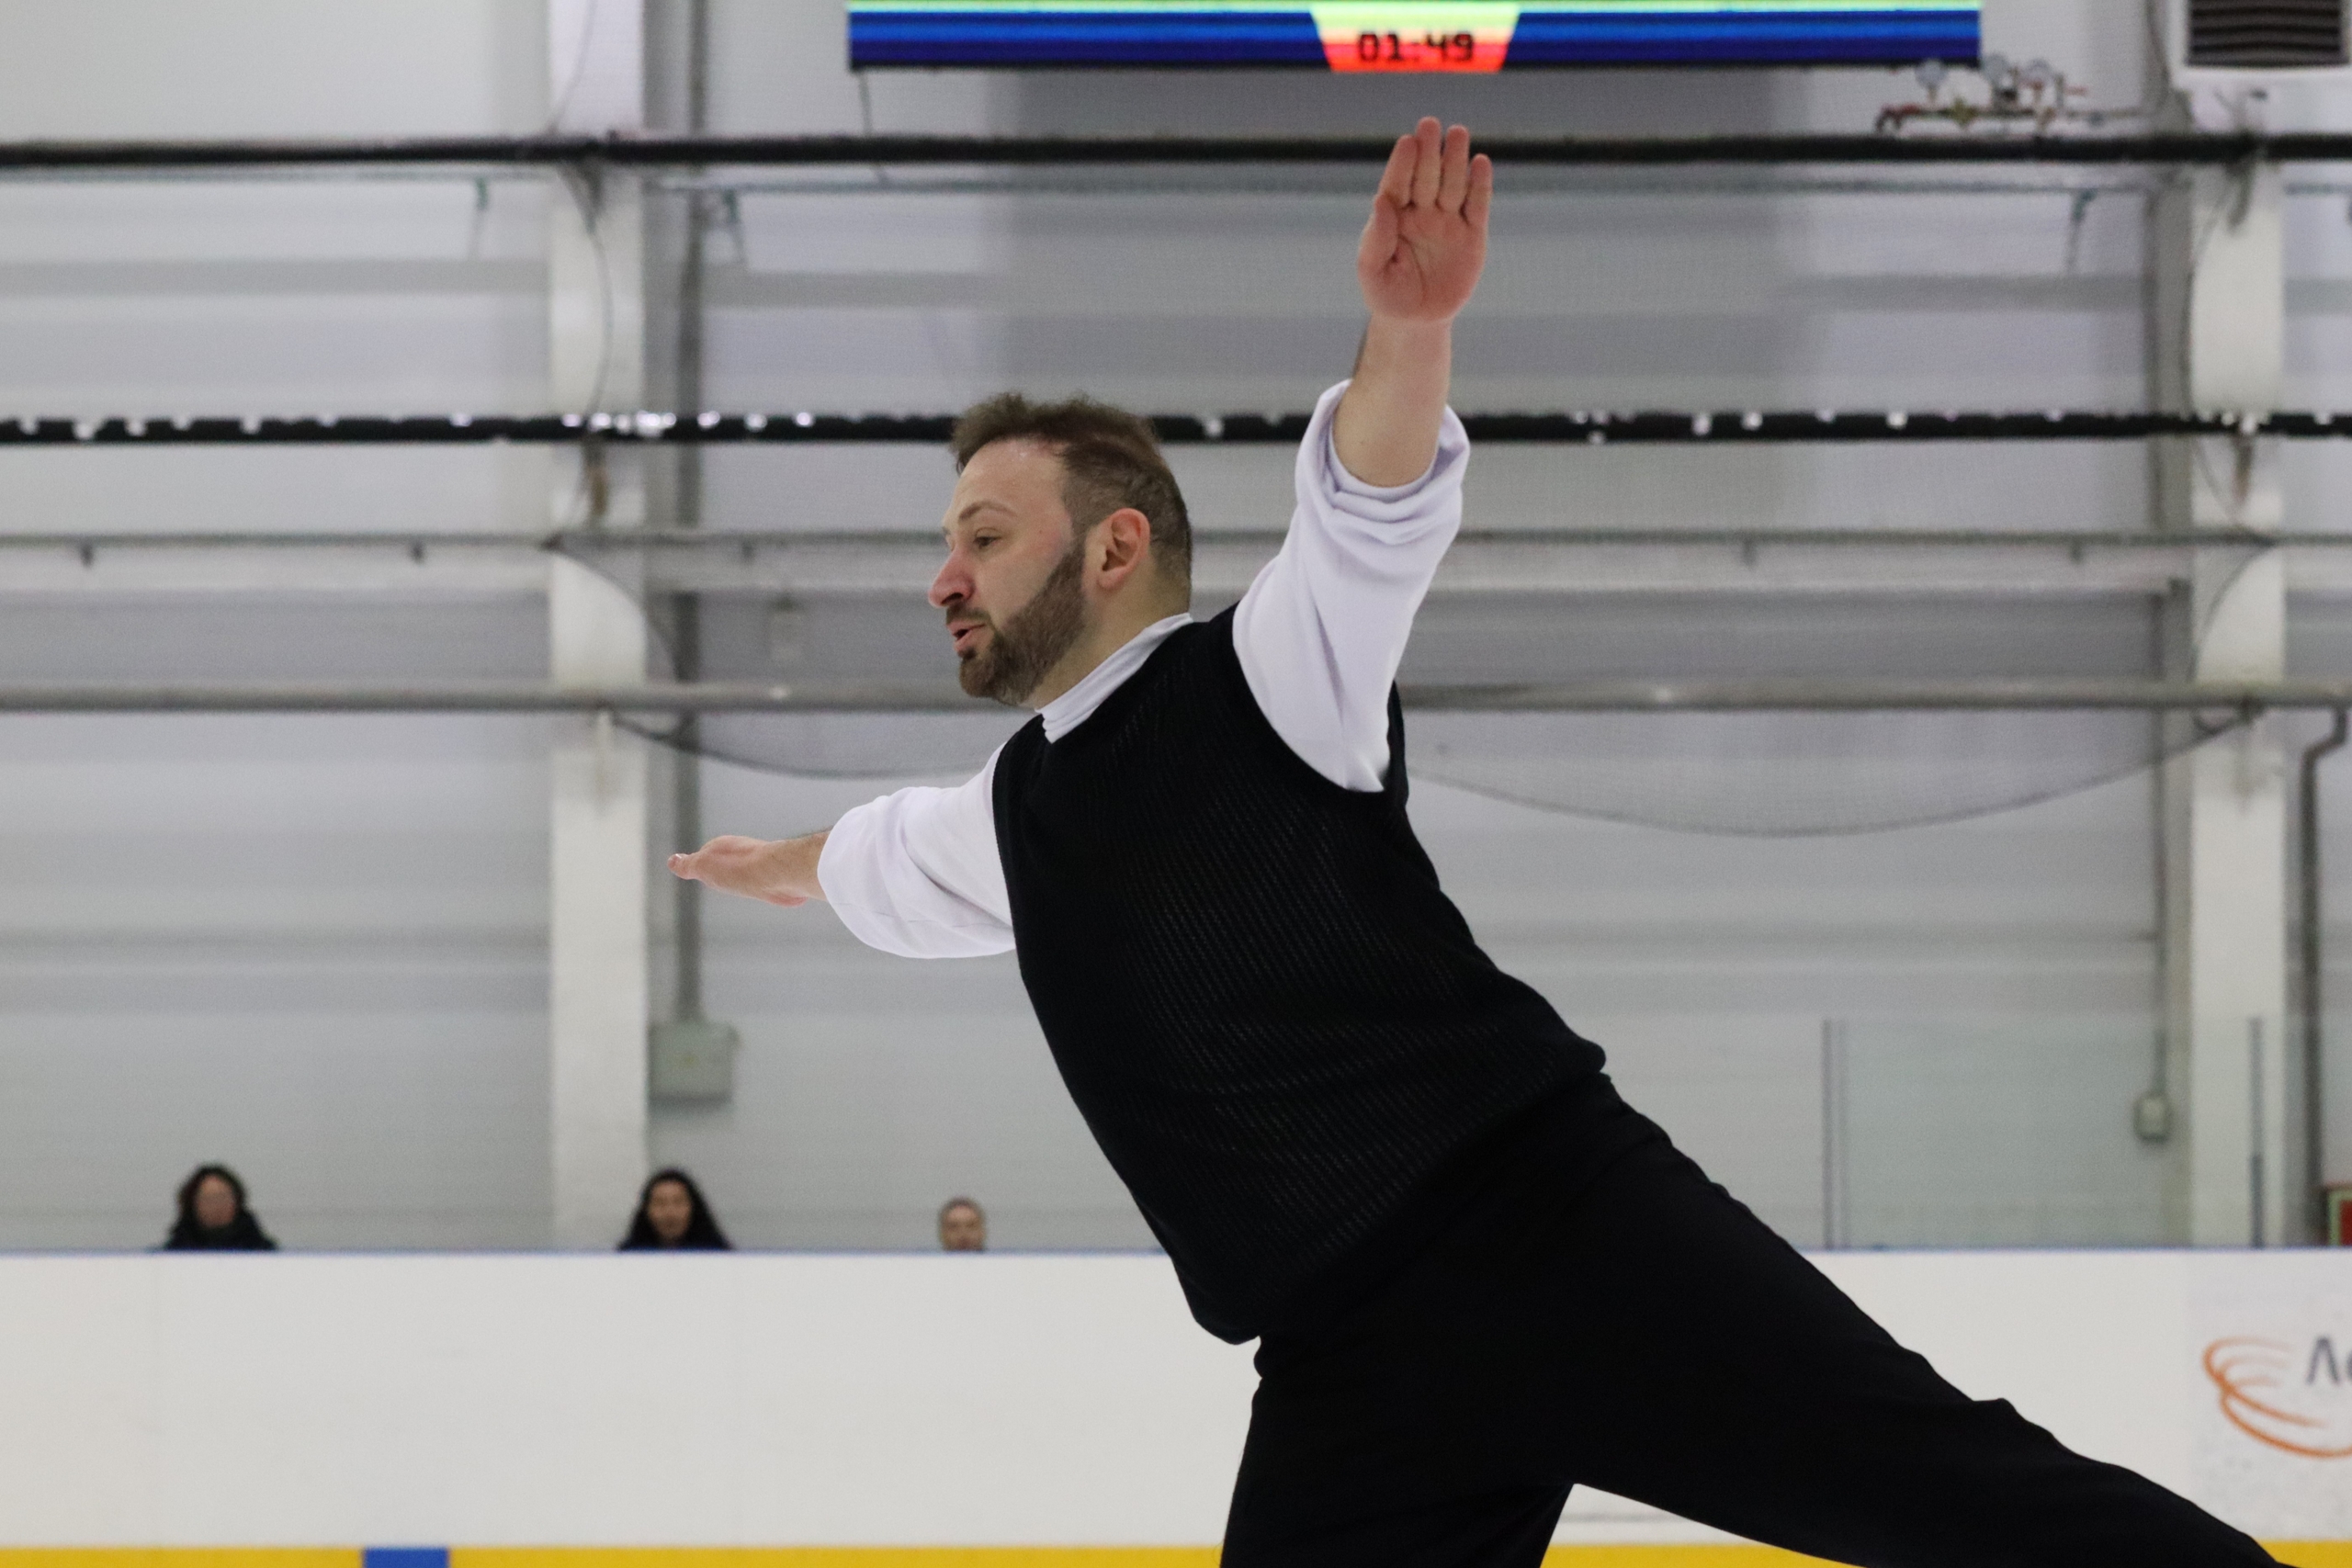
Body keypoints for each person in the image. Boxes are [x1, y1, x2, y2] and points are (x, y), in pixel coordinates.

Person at [670, 119, 2280, 1567]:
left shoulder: (1267, 674)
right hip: (1350, 1363)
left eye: (981, 535)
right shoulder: (1013, 813)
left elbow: (1365, 512)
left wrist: (1410, 328)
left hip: (1564, 1239)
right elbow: (877, 854)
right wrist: (772, 864)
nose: (943, 576)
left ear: (1112, 546)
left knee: (1966, 1502)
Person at [162, 1164, 277, 1251]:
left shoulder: (263, 1252)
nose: (216, 1206)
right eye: (208, 1199)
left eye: (222, 1198)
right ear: (192, 1204)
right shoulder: (172, 1255)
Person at [616, 1168, 731, 1251]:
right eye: (660, 1203)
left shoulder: (719, 1256)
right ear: (646, 1210)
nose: (670, 1213)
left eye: (678, 1202)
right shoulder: (627, 1258)